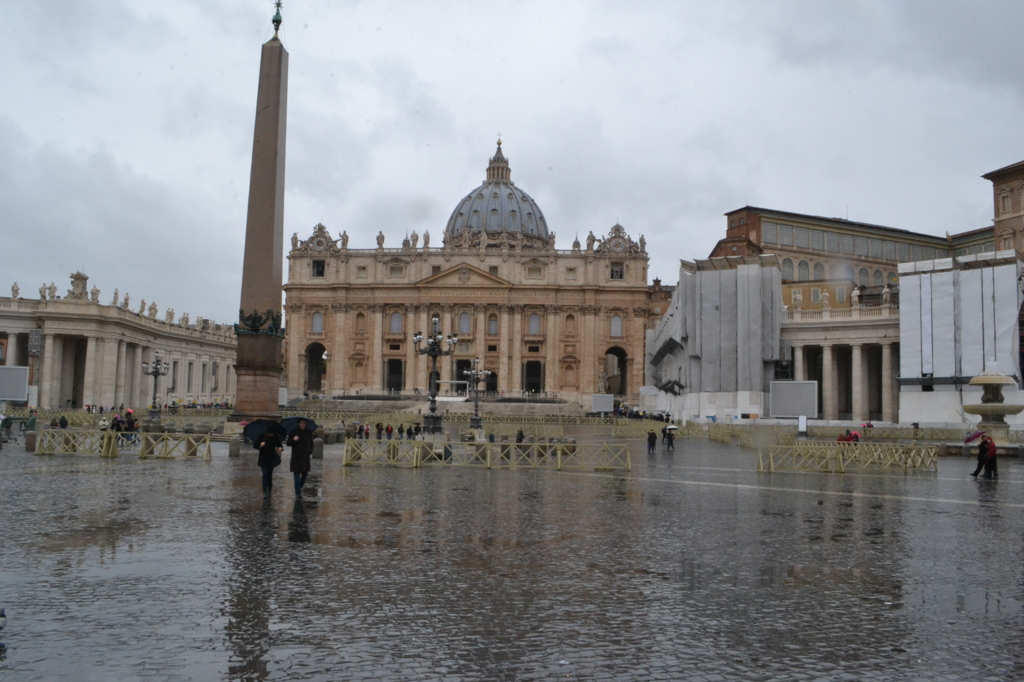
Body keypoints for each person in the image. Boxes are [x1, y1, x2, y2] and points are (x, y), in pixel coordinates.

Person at [287, 419, 315, 497]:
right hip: (296, 456)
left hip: (305, 456)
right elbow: (288, 443)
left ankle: (299, 487)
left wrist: (310, 451)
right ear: (298, 424)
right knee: (296, 474)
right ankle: (298, 492)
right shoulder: (294, 432)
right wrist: (294, 440)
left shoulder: (309, 432)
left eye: (304, 423)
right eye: (302, 423)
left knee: (305, 474)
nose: (303, 425)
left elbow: (311, 443)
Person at [257, 430, 284, 497]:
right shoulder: (262, 436)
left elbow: (279, 445)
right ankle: (265, 490)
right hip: (263, 459)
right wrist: (260, 445)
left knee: (269, 475)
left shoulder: (275, 437)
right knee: (265, 474)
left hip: (271, 458)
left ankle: (269, 488)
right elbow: (255, 445)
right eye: (270, 433)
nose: (271, 434)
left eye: (272, 433)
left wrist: (280, 448)